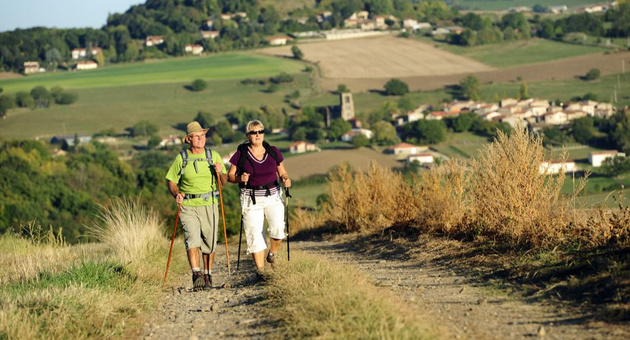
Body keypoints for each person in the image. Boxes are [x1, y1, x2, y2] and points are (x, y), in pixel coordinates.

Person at [165, 121, 227, 290]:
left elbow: (223, 182)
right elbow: (171, 180)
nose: (201, 139)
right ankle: (196, 274)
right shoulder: (182, 158)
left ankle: (208, 275)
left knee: (210, 241)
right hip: (188, 205)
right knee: (192, 239)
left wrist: (220, 171)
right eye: (197, 136)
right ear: (189, 139)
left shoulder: (213, 155)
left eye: (203, 136)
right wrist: (176, 193)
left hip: (210, 203)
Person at [227, 120, 291, 278]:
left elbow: (282, 171)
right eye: (254, 132)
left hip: (273, 196)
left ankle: (272, 254)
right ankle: (261, 273)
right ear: (247, 135)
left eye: (260, 131)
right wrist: (240, 179)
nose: (257, 135)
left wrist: (285, 178)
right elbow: (229, 176)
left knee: (278, 229)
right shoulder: (241, 154)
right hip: (250, 198)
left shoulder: (273, 151)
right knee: (255, 234)